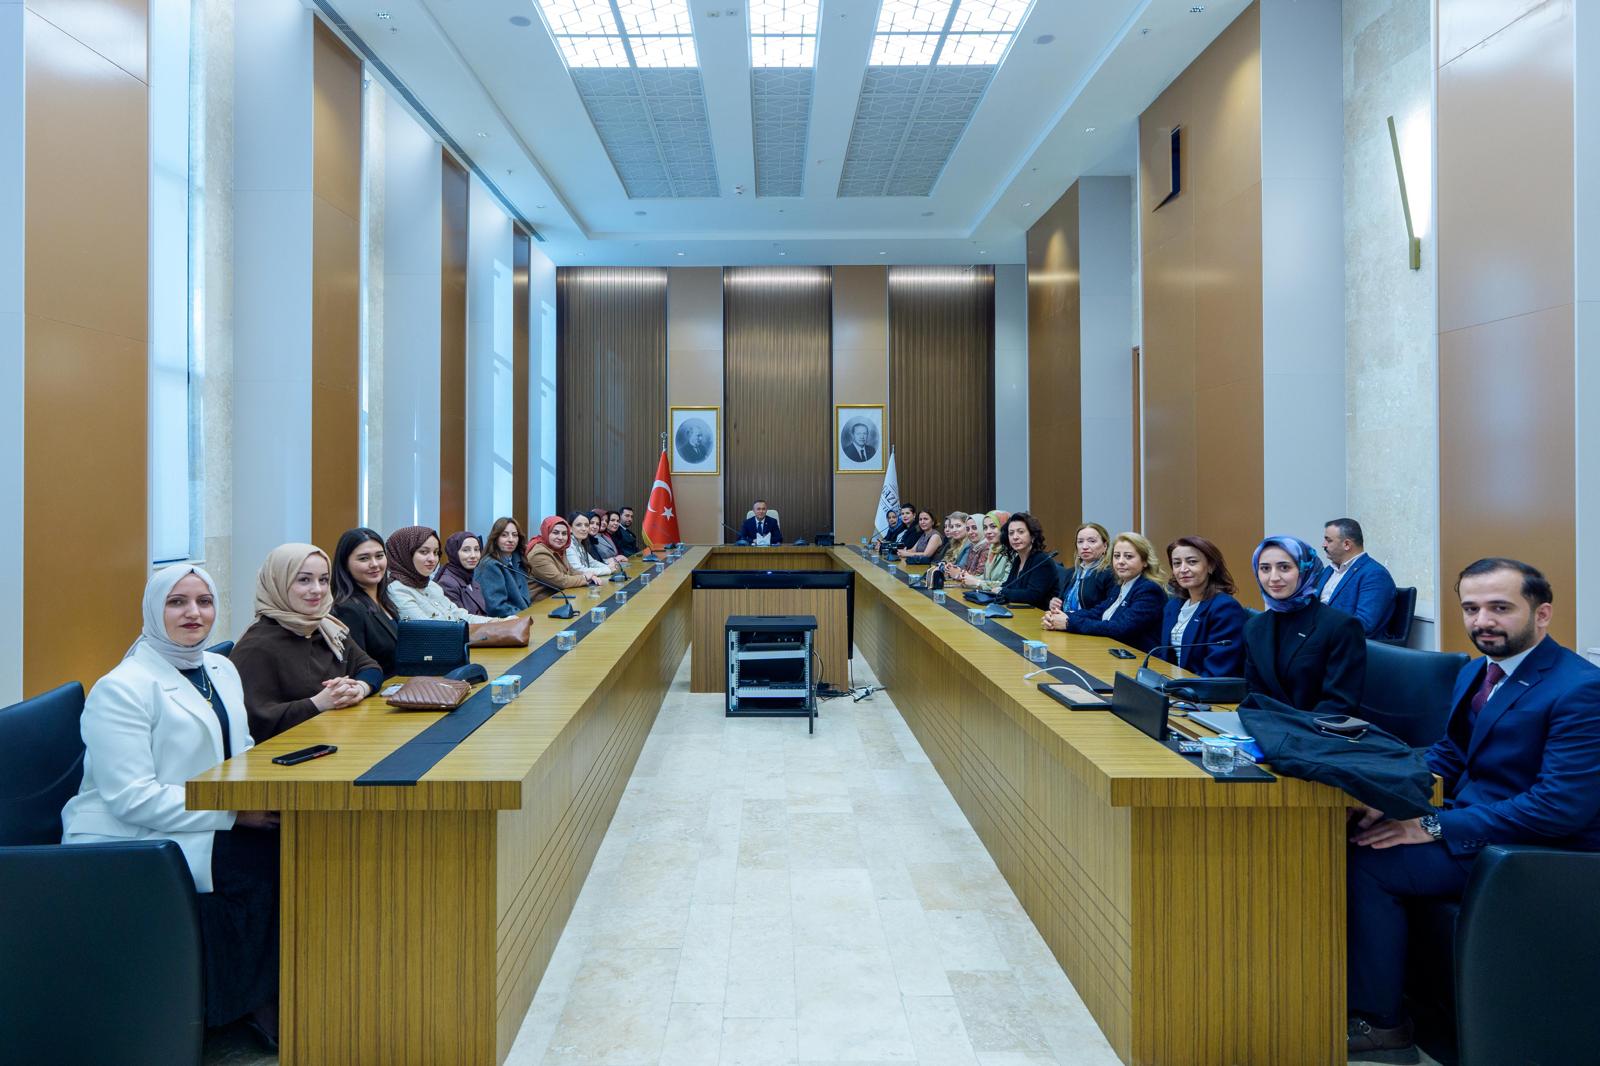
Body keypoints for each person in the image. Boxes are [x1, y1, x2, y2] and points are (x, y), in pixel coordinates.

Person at [1345, 558, 1600, 1063]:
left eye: (1500, 608)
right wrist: (1384, 793)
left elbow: (1558, 809)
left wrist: (1432, 825)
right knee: (1354, 829)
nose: (1483, 621)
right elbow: (1451, 755)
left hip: (1539, 852)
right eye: (1471, 608)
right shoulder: (1477, 671)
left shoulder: (1581, 690)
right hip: (1483, 823)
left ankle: (1384, 1026)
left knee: (1369, 861)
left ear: (1542, 613)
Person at [62, 565, 281, 1045]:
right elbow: (131, 798)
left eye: (204, 601)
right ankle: (246, 1004)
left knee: (299, 839)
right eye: (176, 602)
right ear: (152, 609)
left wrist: (266, 792)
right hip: (133, 835)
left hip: (200, 815)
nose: (193, 613)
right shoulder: (122, 688)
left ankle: (281, 985)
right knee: (261, 861)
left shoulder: (219, 668)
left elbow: (240, 749)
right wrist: (234, 815)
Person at [230, 543, 383, 744]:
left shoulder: (325, 627)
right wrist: (317, 703)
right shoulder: (256, 647)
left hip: (332, 740)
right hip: (285, 753)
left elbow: (370, 667)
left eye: (324, 580)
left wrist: (359, 689)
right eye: (304, 580)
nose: (317, 590)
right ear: (278, 582)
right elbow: (253, 721)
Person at [1241, 535, 1365, 717]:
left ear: (1305, 569)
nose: (1273, 578)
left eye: (1284, 567)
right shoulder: (1254, 627)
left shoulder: (1341, 626)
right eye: (1265, 568)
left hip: (1316, 729)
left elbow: (1339, 705)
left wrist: (1287, 728)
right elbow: (1254, 694)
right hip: (1267, 726)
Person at [1045, 532, 1168, 651]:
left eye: (1128, 556)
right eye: (1117, 556)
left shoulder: (1149, 590)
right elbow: (1097, 613)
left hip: (1138, 657)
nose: (1120, 561)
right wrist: (1060, 616)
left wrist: (1069, 623)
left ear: (1145, 561)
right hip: (1112, 650)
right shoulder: (1121, 585)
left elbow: (1121, 628)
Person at [1154, 536, 1247, 676]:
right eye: (1177, 563)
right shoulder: (1173, 606)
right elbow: (1164, 655)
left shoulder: (1225, 608)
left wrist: (1178, 686)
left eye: (1192, 562)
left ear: (1211, 566)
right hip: (1172, 682)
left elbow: (1217, 671)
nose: (1183, 569)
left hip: (1201, 686)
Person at [384, 526, 502, 622]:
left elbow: (460, 615)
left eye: (436, 552)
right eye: (424, 552)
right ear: (404, 554)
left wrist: (498, 622)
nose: (432, 559)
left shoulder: (431, 586)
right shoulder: (397, 590)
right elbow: (431, 631)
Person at [330, 527, 399, 678]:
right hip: (376, 690)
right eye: (363, 558)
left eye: (379, 556)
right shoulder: (347, 609)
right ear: (345, 564)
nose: (374, 564)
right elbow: (356, 668)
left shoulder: (386, 600)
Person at [1316, 518, 1398, 636]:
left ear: (1347, 544)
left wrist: (1318, 628)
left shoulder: (1374, 575)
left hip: (1347, 642)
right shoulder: (1328, 571)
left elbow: (1364, 624)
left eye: (1329, 540)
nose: (1323, 545)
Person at [527, 515, 601, 600]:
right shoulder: (539, 554)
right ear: (546, 532)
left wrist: (589, 576)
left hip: (558, 597)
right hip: (540, 603)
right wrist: (585, 578)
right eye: (555, 532)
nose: (560, 537)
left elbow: (570, 570)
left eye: (564, 533)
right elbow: (561, 581)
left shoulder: (560, 549)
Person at [1049, 523, 1116, 615]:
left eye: (1092, 541)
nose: (1084, 547)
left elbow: (1106, 611)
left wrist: (1070, 617)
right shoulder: (1071, 573)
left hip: (1087, 623)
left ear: (1105, 546)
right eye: (1080, 542)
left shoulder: (1110, 573)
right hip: (1065, 621)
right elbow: (1061, 602)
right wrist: (1055, 604)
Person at [996, 512, 1057, 609]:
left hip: (1039, 614)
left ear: (1032, 536)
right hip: (1020, 611)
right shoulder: (1018, 559)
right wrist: (997, 590)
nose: (1015, 537)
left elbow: (1033, 595)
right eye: (1011, 533)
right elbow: (1008, 585)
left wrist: (1002, 591)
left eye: (1020, 532)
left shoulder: (1042, 560)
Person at [475, 517, 533, 616]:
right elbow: (496, 607)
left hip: (523, 616)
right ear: (495, 538)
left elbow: (525, 600)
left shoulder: (518, 560)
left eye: (514, 535)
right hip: (507, 620)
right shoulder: (489, 565)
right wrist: (525, 616)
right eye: (504, 535)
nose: (511, 540)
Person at [953, 510, 1012, 592]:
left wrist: (977, 582)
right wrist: (966, 578)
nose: (988, 531)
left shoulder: (1011, 551)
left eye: (993, 526)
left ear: (1004, 527)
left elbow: (1007, 584)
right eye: (985, 528)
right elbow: (985, 577)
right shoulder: (992, 548)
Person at [564, 512, 617, 577]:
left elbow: (592, 562)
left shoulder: (580, 543)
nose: (584, 529)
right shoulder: (569, 544)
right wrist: (608, 569)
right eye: (579, 525)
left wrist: (609, 567)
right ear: (570, 528)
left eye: (586, 525)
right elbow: (578, 570)